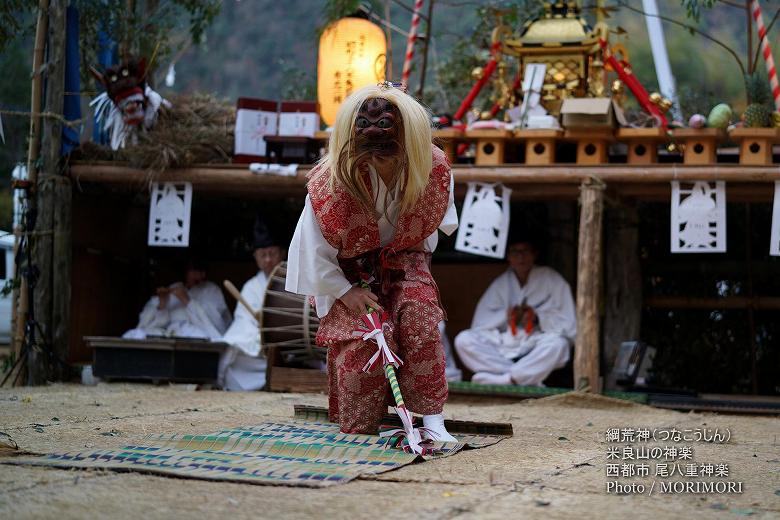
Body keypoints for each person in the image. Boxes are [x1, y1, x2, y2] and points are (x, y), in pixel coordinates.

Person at [286, 83, 458, 441]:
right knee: (367, 341)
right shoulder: (327, 184)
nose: (381, 163)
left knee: (420, 319)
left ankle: (432, 422)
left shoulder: (434, 167)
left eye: (388, 155)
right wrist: (346, 292)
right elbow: (312, 251)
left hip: (403, 260)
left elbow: (434, 227)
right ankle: (362, 427)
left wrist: (409, 270)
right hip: (346, 275)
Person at [454, 234, 576, 386]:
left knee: (558, 344)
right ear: (508, 257)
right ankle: (521, 377)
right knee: (464, 340)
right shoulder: (501, 284)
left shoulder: (552, 279)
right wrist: (507, 315)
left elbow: (569, 325)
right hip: (505, 344)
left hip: (537, 341)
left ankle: (506, 380)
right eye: (515, 252)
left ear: (534, 254)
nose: (520, 257)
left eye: (525, 251)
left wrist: (537, 317)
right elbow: (480, 323)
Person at [218, 217, 285, 391]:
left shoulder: (294, 282)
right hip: (259, 351)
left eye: (272, 253)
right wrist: (261, 334)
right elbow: (242, 321)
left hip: (289, 346)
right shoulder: (251, 287)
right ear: (256, 257)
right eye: (263, 255)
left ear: (282, 253)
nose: (268, 259)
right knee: (234, 357)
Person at [123, 258, 231, 340]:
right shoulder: (174, 288)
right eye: (195, 271)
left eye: (202, 272)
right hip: (171, 334)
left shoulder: (211, 290)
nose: (200, 275)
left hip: (198, 335)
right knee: (136, 335)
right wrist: (162, 304)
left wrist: (187, 301)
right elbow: (147, 324)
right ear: (185, 272)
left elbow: (215, 325)